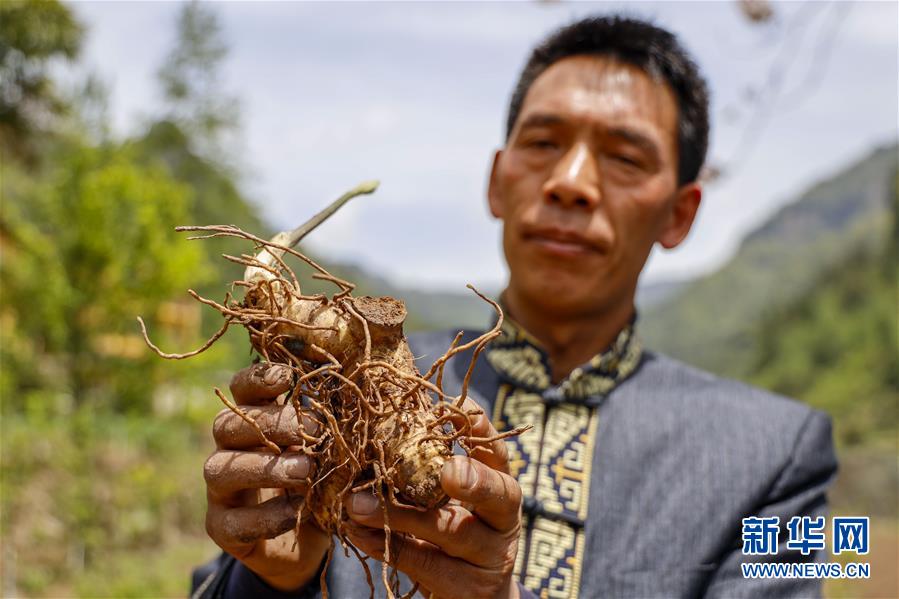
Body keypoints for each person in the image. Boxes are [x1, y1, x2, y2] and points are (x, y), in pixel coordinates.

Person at [192, 15, 837, 599]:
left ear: (680, 213)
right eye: (544, 143)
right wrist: (270, 580)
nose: (571, 182)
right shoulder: (345, 383)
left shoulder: (782, 453)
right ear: (498, 182)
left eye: (624, 157)